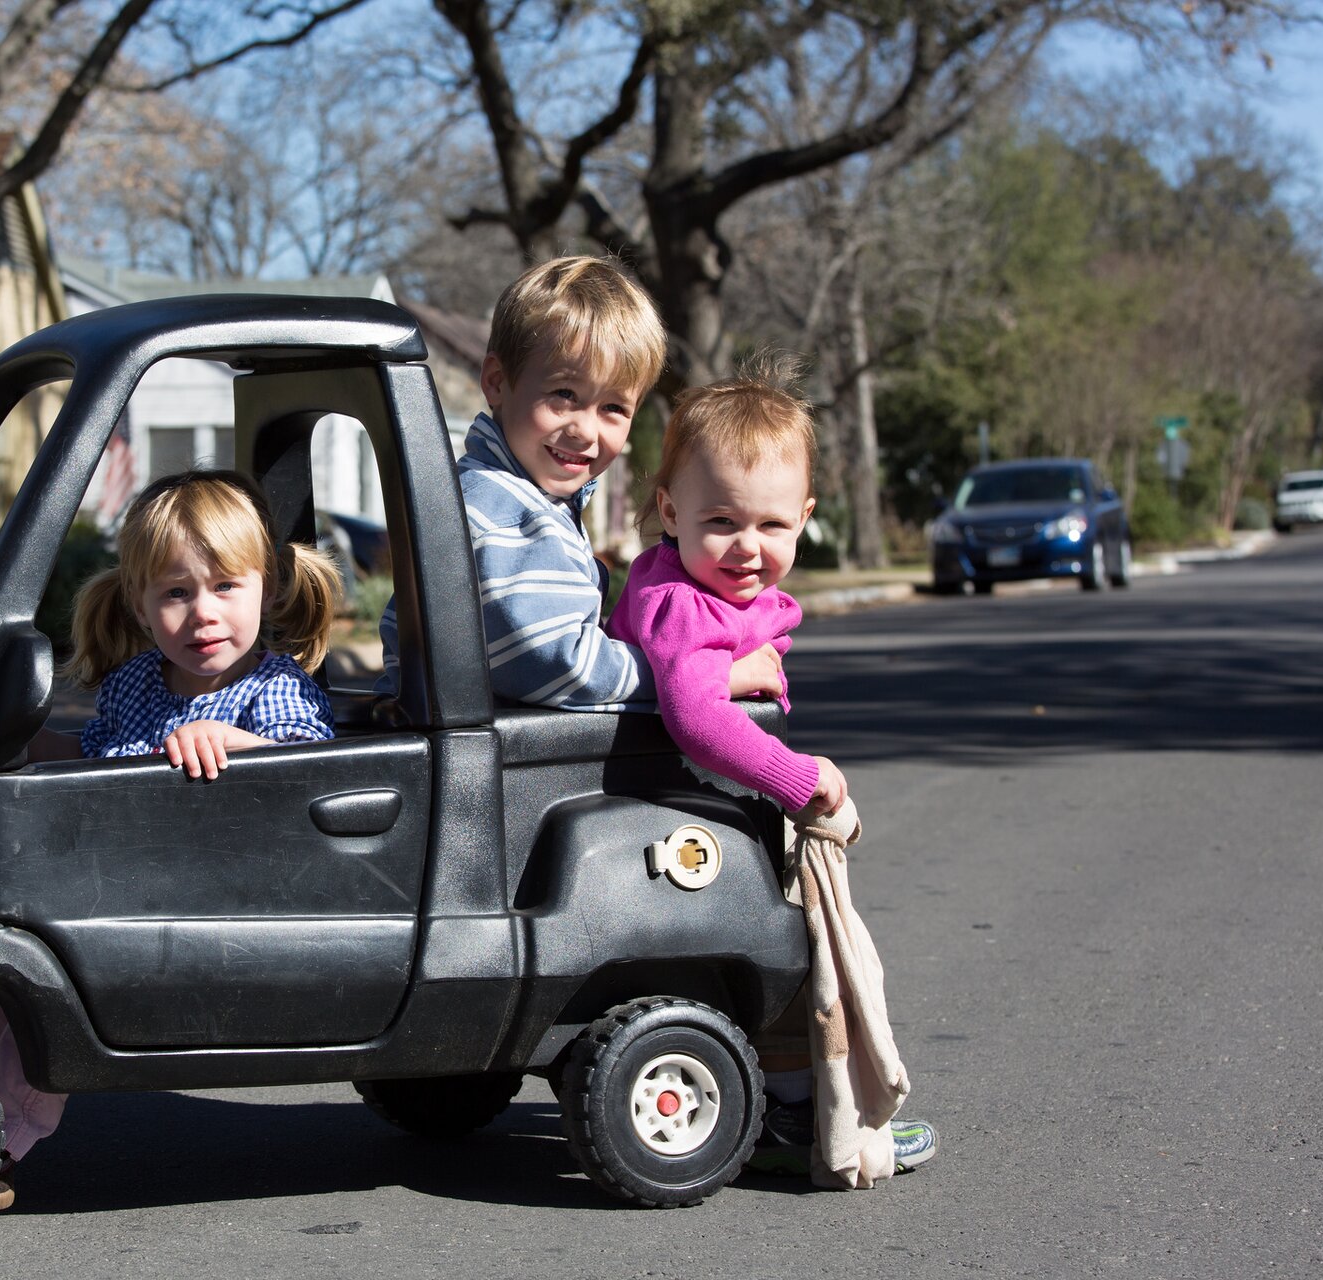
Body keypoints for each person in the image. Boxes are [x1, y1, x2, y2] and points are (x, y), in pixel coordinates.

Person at [0, 469, 343, 1211]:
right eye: (177, 594)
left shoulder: (273, 688)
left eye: (225, 587)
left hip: (213, 898)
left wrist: (235, 740)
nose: (203, 614)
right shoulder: (133, 686)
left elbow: (310, 773)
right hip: (112, 879)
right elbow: (96, 760)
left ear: (268, 589)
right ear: (141, 606)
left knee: (43, 978)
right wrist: (25, 744)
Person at [606, 353, 937, 1177]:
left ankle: (789, 1091)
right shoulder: (686, 604)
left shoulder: (694, 586)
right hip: (687, 811)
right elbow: (692, 716)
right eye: (721, 522)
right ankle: (797, 1106)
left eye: (771, 526)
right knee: (792, 947)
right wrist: (799, 778)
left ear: (805, 518)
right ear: (669, 511)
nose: (747, 547)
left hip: (697, 805)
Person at [377, 254, 669, 709]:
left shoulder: (520, 496)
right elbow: (559, 664)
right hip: (489, 769)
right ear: (497, 382)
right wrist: (682, 679)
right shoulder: (502, 510)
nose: (585, 431)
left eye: (613, 407)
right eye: (564, 394)